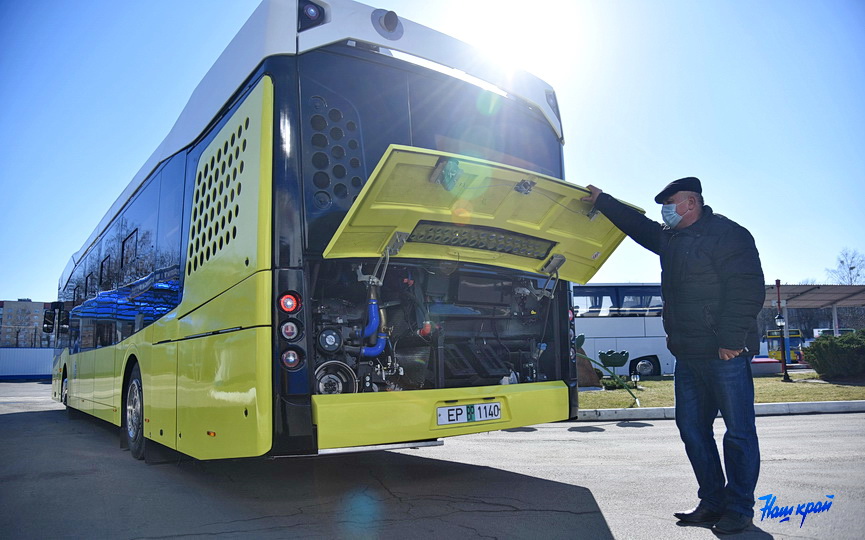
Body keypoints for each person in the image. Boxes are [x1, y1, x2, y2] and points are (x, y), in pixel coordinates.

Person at [581, 177, 765, 535]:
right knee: (693, 430)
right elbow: (638, 226)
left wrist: (730, 339)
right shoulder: (672, 239)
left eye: (671, 202)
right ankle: (712, 501)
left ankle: (739, 507)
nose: (666, 209)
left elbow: (746, 288)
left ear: (692, 202)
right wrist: (603, 200)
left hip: (723, 352)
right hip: (688, 354)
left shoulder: (729, 234)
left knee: (739, 433)